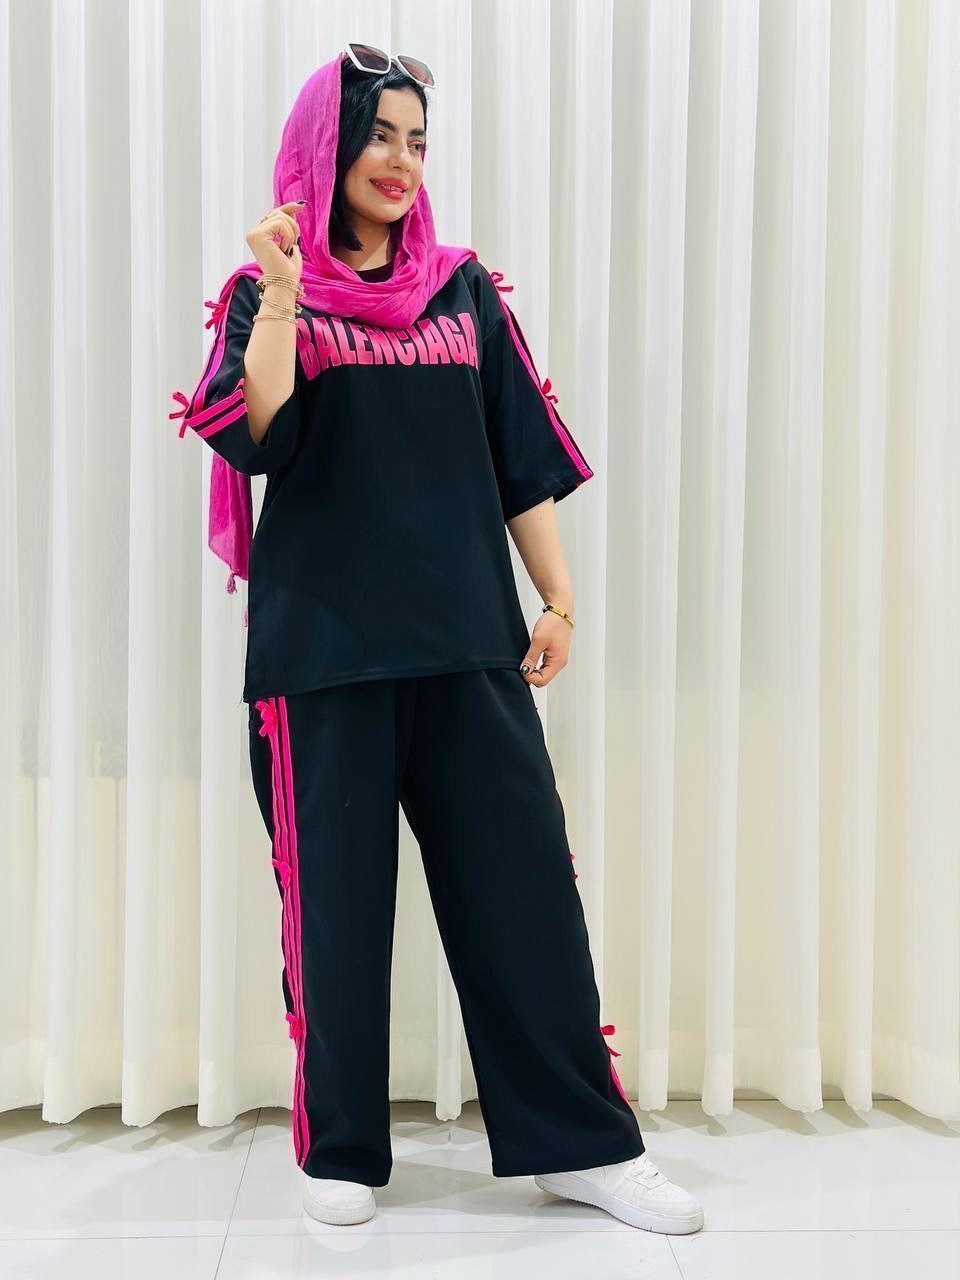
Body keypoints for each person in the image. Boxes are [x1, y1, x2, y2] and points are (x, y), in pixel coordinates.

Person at [169, 44, 703, 1235]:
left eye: (418, 139)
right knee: (336, 912)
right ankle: (342, 1148)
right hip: (323, 657)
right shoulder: (266, 289)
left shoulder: (462, 292)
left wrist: (557, 599)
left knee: (527, 899)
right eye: (379, 135)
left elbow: (519, 453)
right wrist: (285, 294)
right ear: (326, 145)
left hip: (469, 642)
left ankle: (585, 1145)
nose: (402, 160)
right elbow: (255, 435)